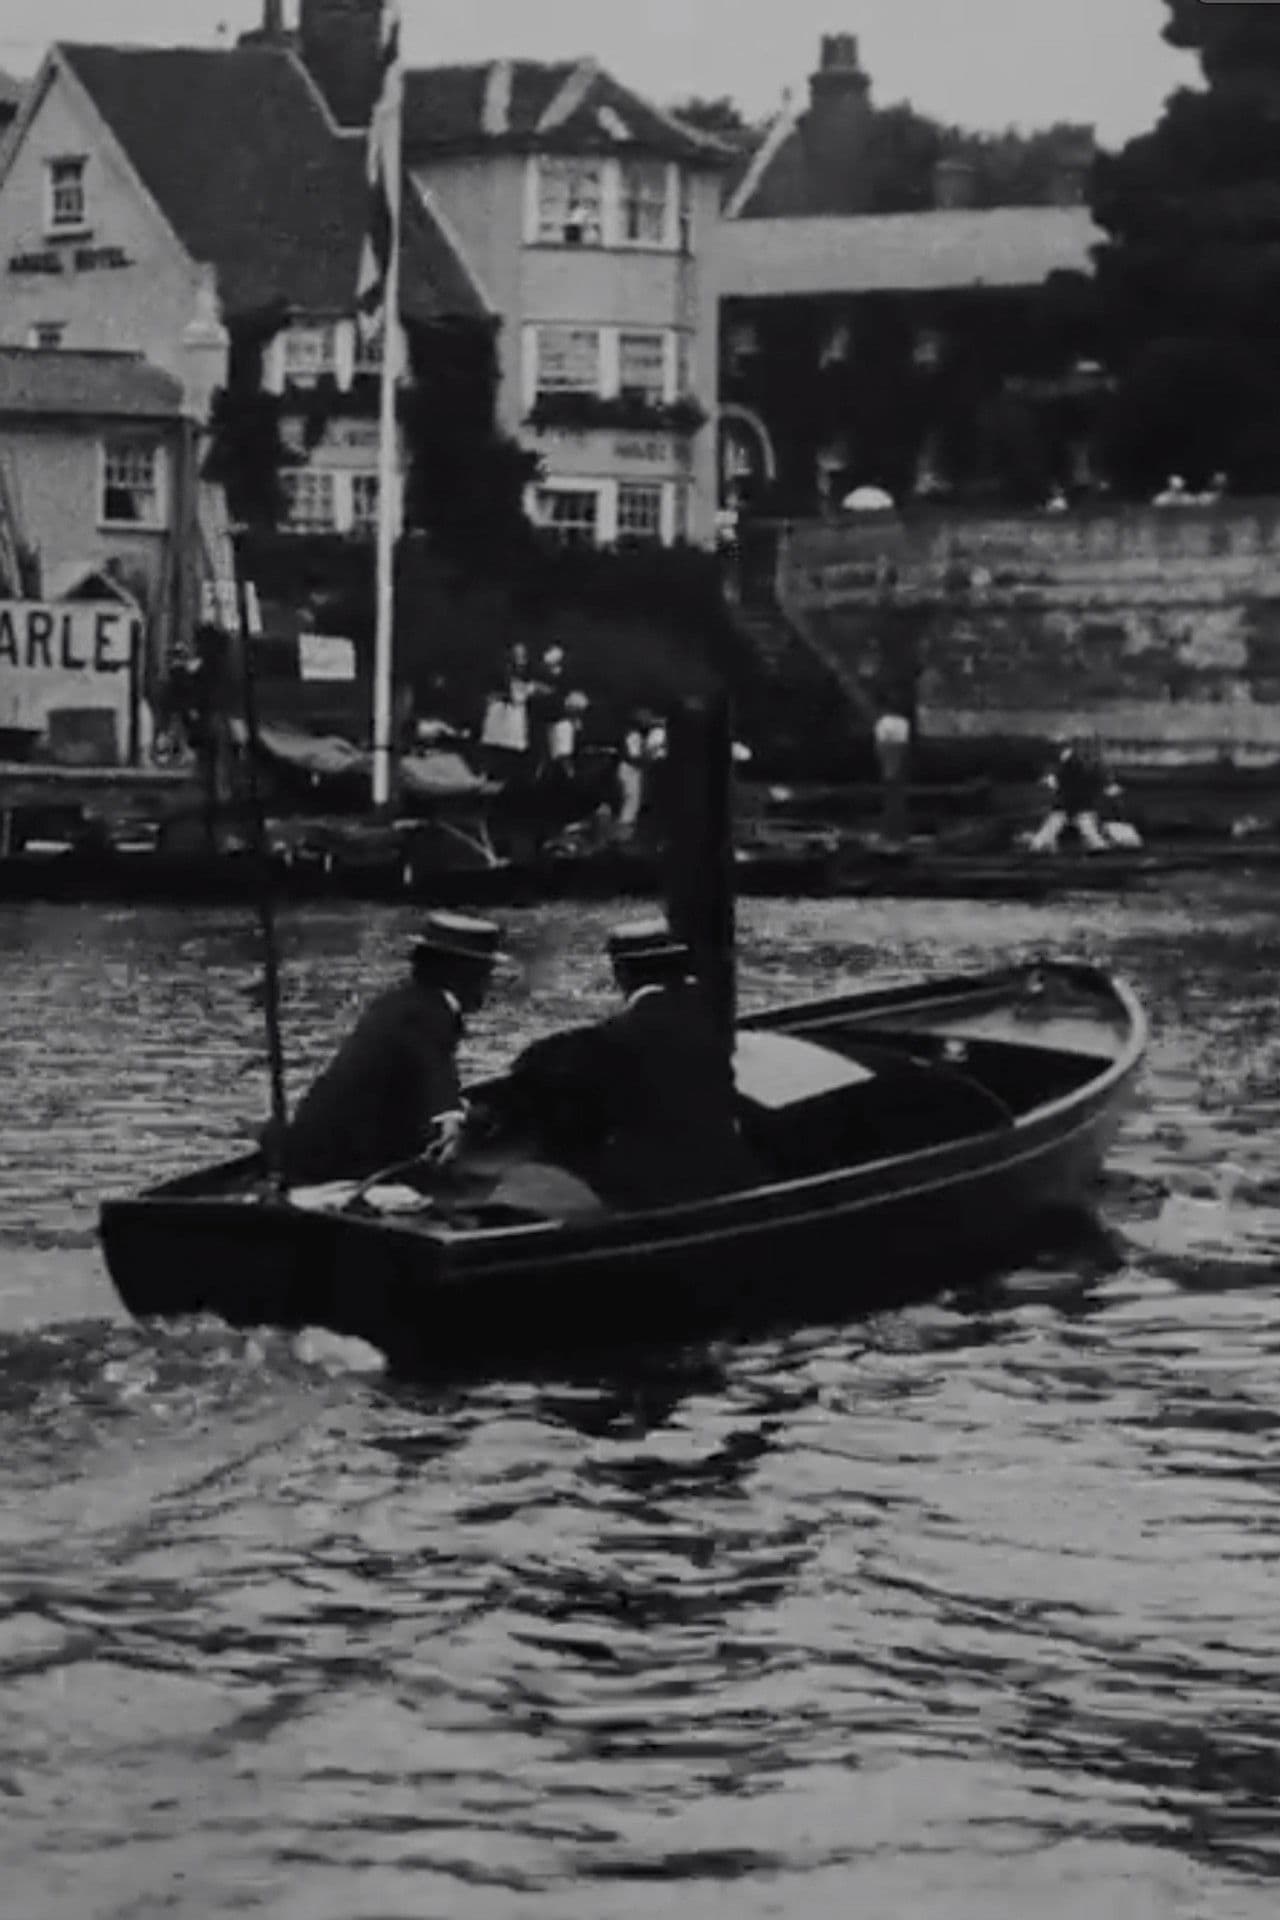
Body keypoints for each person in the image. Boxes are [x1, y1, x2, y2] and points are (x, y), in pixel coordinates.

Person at [496, 921, 762, 1211]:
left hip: (661, 1192)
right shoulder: (705, 1025)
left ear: (620, 973)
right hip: (727, 1175)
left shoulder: (613, 1038)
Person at [263, 911, 504, 1187]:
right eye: (486, 974)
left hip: (318, 1140)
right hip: (340, 1159)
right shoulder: (426, 1013)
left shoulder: (398, 1003)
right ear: (464, 974)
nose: (488, 984)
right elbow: (433, 1066)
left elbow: (419, 1072)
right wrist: (450, 1118)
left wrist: (456, 1109)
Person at [1027, 735, 1116, 854]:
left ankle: (1038, 845)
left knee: (1075, 824)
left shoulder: (1072, 764)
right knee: (1076, 824)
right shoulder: (1075, 764)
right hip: (1074, 804)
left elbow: (1062, 780)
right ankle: (1039, 845)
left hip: (1074, 804)